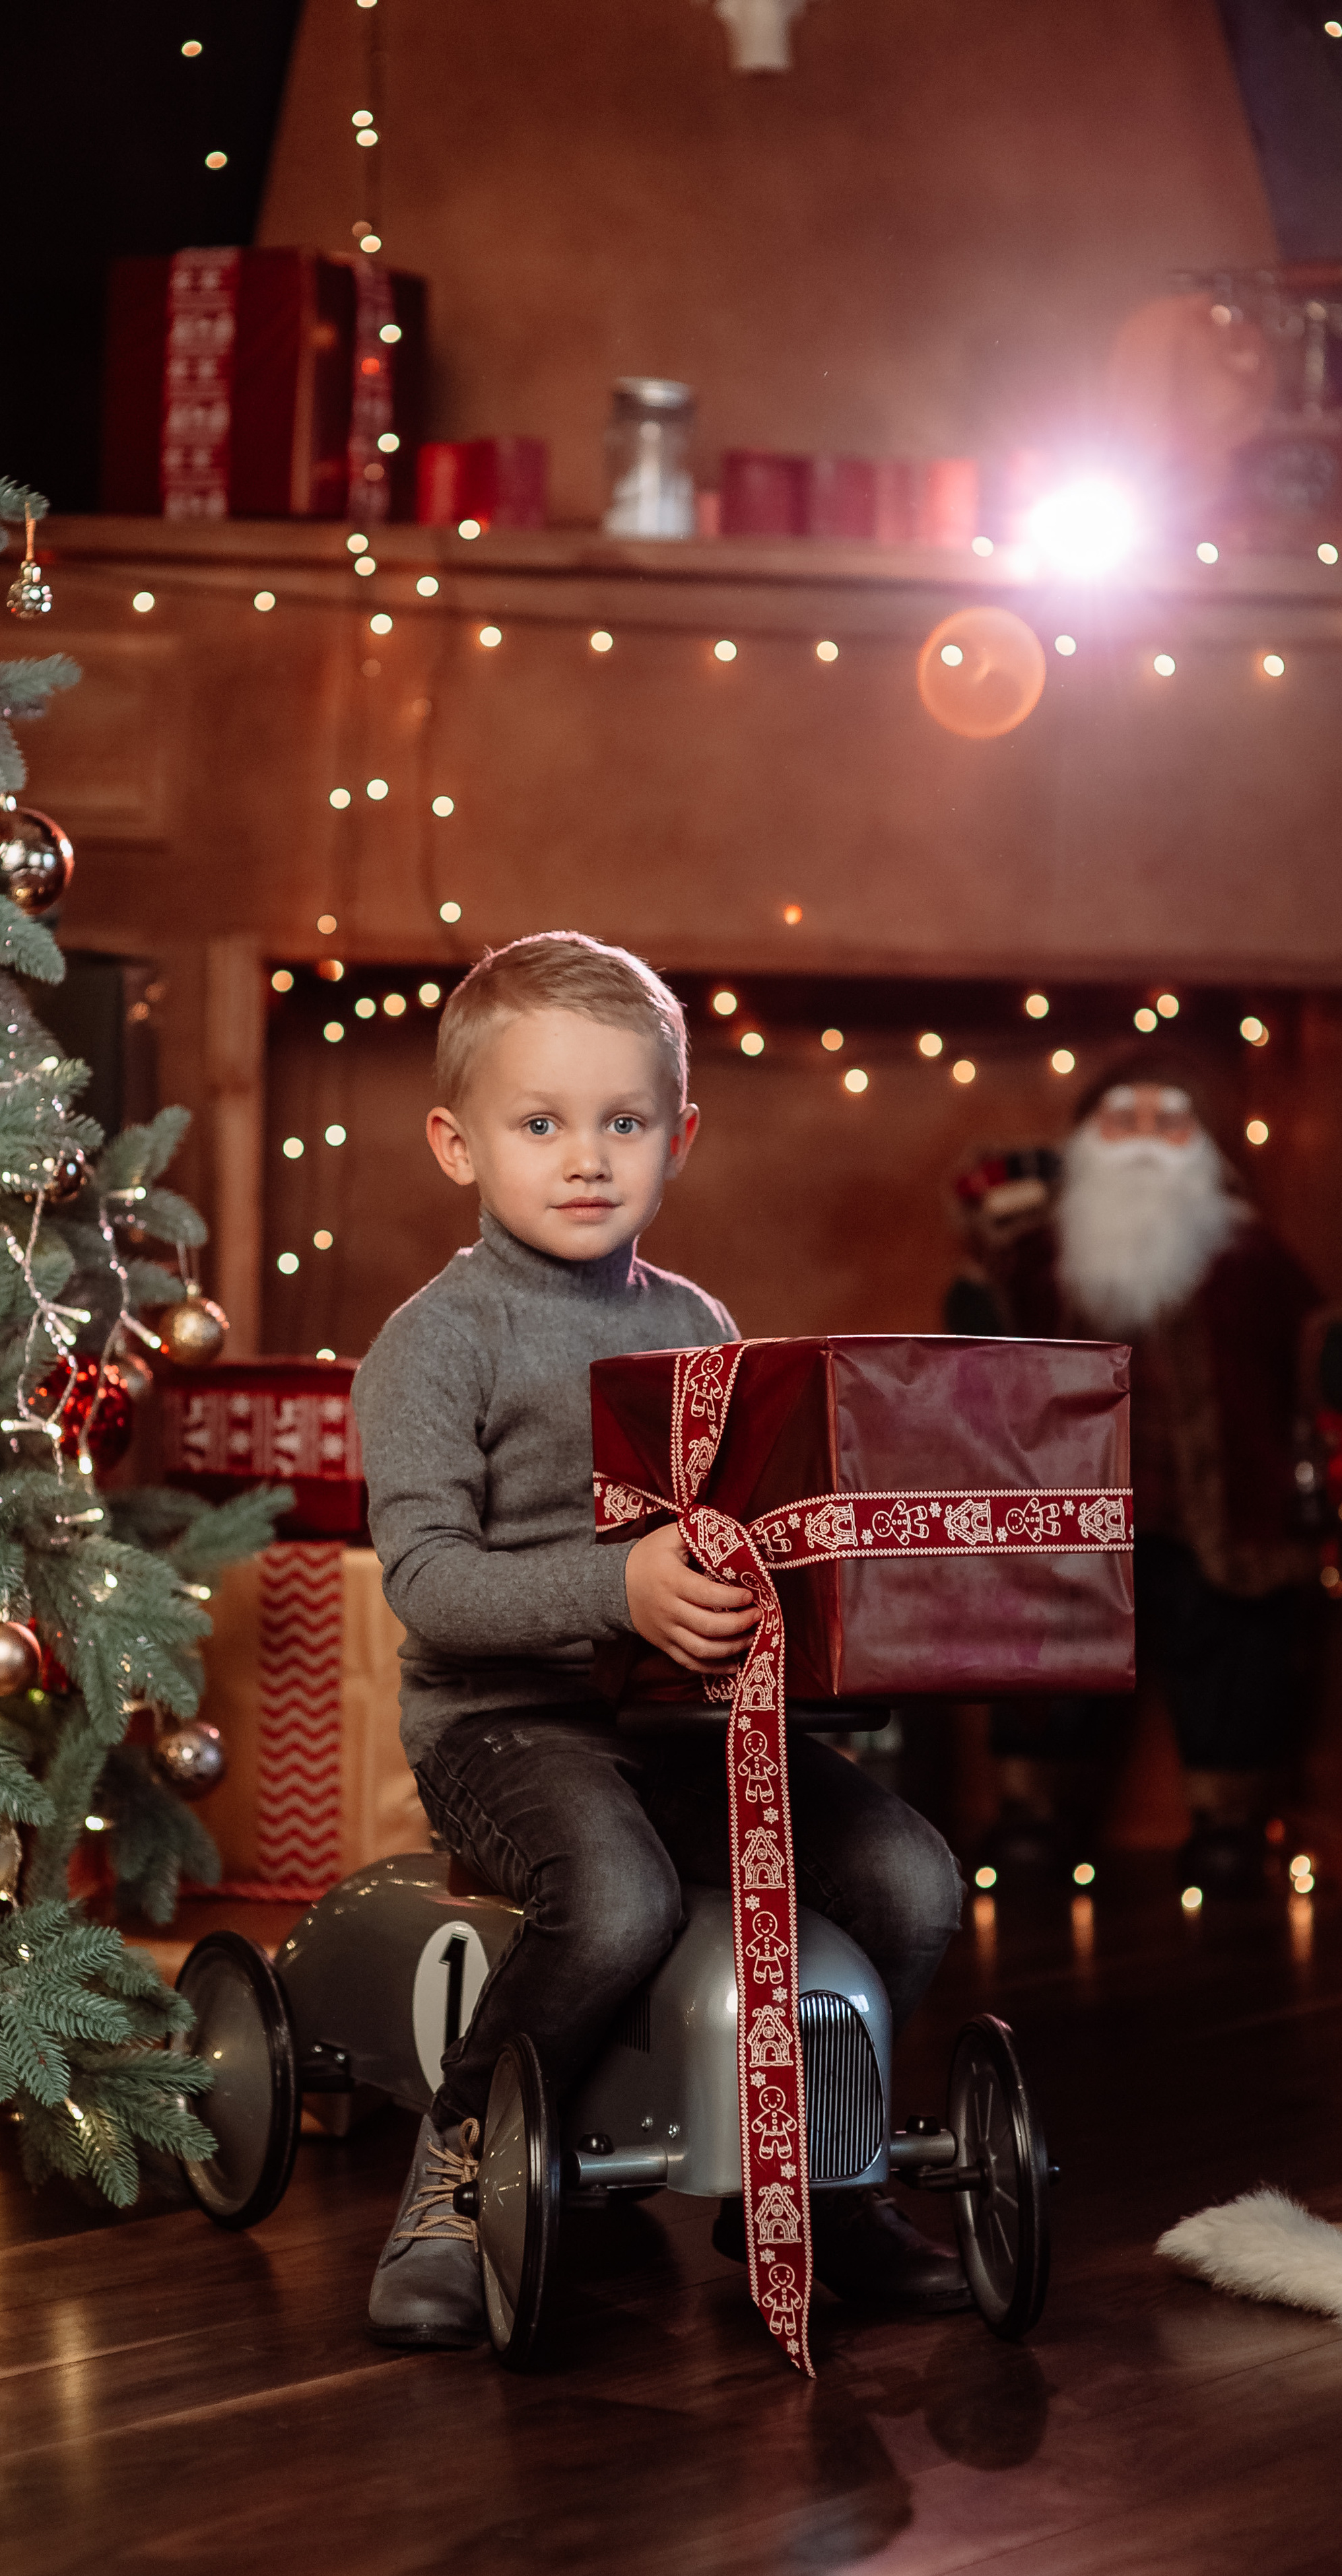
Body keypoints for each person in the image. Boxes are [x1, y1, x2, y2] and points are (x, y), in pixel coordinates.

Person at [353, 931, 966, 2350]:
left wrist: (803, 1644)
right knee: (617, 1900)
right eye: (540, 1123)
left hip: (681, 1722)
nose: (585, 1157)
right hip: (503, 1733)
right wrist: (614, 1589)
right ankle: (454, 2174)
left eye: (621, 1123)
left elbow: (732, 1546)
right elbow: (430, 1585)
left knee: (911, 1880)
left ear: (676, 1138)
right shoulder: (437, 1342)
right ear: (456, 1144)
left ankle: (813, 2171)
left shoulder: (696, 1324)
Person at [969, 1055, 1335, 1897]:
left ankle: (1232, 1821)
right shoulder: (1040, 1254)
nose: (1140, 1142)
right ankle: (1033, 1811)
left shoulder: (1248, 1256)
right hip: (1066, 1517)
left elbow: (1312, 1341)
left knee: (1234, 1659)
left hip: (1220, 1512)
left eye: (1164, 1123)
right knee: (1047, 1659)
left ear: (1202, 1145)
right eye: (1119, 1122)